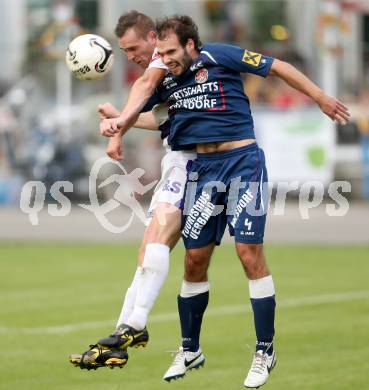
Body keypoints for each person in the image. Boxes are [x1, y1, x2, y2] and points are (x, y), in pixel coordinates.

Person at [100, 15, 350, 388]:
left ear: (190, 45)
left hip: (242, 163)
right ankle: (190, 348)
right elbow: (150, 113)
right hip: (202, 171)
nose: (165, 59)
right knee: (194, 260)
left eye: (171, 52)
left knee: (249, 253)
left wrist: (320, 97)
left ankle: (265, 349)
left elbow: (277, 66)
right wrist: (119, 122)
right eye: (161, 53)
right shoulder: (166, 80)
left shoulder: (220, 56)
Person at [69, 11, 196, 370]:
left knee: (159, 242)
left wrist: (120, 124)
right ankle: (120, 338)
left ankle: (134, 326)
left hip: (196, 161)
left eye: (132, 48)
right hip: (179, 158)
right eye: (123, 52)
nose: (131, 57)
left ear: (154, 38)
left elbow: (142, 90)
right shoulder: (167, 72)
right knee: (148, 249)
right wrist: (120, 117)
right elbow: (161, 119)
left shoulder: (166, 62)